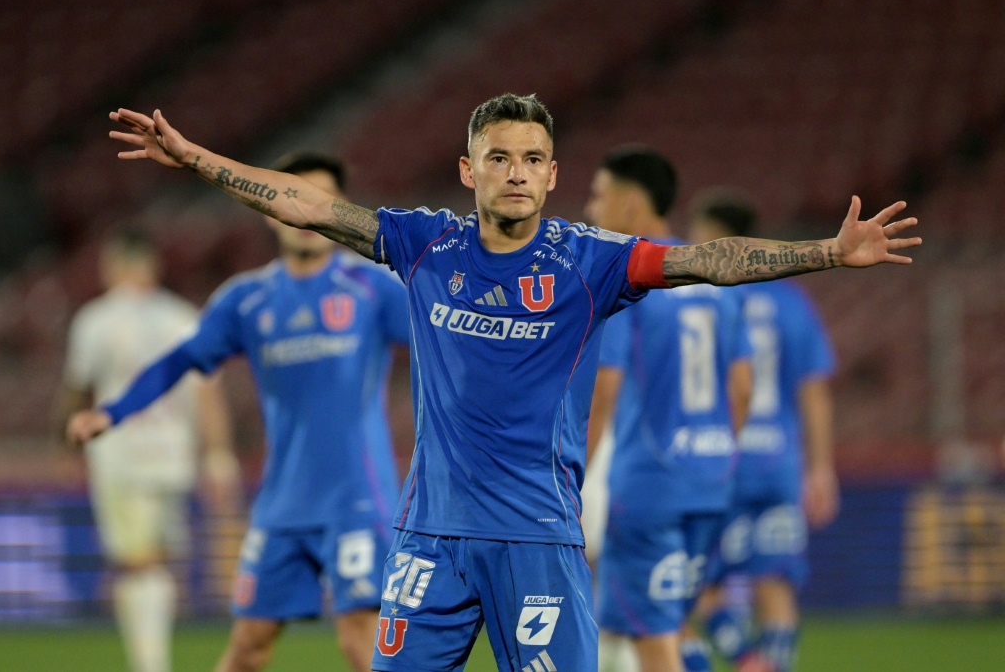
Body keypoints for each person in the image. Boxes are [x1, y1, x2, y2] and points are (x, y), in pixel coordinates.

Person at [107, 93, 920, 672]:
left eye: (532, 159)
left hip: (538, 538)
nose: (517, 173)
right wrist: (194, 158)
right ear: (469, 169)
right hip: (430, 536)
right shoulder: (424, 245)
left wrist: (826, 251)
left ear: (553, 173)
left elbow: (707, 260)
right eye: (499, 158)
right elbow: (307, 207)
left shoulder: (592, 261)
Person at [67, 153, 411, 672]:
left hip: (357, 499)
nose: (307, 211)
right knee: (249, 645)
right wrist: (113, 411)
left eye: (322, 199)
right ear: (271, 211)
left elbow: (444, 341)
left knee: (360, 639)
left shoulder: (372, 288)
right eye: (294, 196)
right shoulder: (247, 300)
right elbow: (182, 360)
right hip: (281, 505)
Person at [583, 146, 753, 672]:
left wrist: (573, 475)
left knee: (652, 640)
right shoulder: (713, 279)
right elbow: (742, 387)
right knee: (673, 624)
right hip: (711, 480)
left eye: (599, 195)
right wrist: (717, 453)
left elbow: (604, 388)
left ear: (631, 203)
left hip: (650, 484)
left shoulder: (629, 279)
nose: (591, 209)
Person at [56, 225, 239, 672]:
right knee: (157, 561)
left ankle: (150, 664)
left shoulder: (95, 319)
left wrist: (67, 444)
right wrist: (218, 455)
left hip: (119, 456)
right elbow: (208, 392)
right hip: (173, 455)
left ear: (113, 266)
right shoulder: (182, 316)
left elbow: (77, 391)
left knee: (136, 564)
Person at [688, 190, 839, 672]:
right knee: (775, 584)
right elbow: (814, 390)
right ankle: (768, 663)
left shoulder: (705, 297)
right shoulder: (792, 302)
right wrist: (821, 468)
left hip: (721, 461)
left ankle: (746, 659)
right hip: (778, 466)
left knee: (698, 587)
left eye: (700, 235)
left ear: (720, 239)